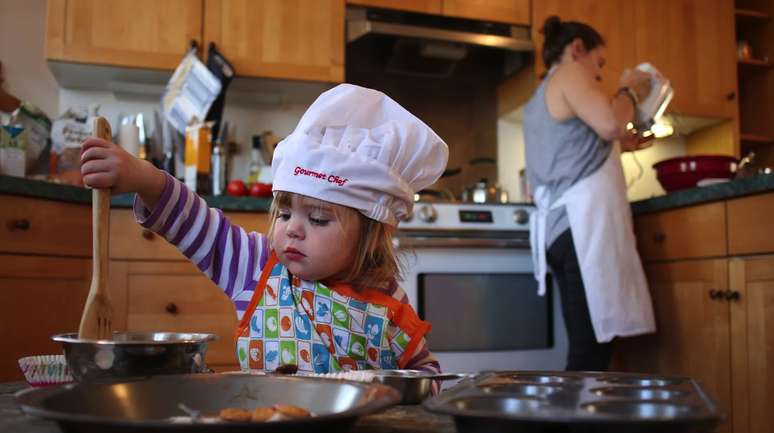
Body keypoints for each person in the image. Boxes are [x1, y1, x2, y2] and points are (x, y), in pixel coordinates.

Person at [80, 84, 447, 378]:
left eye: (318, 219)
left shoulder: (387, 302)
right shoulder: (257, 268)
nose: (292, 231)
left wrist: (400, 394)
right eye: (284, 214)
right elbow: (194, 221)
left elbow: (425, 374)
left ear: (369, 234)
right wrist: (142, 177)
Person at [524, 16, 657, 371]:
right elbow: (610, 123)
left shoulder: (536, 102)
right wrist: (630, 90)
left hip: (560, 233)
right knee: (590, 355)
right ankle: (575, 423)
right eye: (599, 64)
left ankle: (575, 419)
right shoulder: (570, 73)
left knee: (588, 348)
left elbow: (575, 154)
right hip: (580, 230)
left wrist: (623, 146)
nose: (599, 76)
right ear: (577, 49)